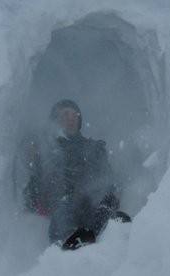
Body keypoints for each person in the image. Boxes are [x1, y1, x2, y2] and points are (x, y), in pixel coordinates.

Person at [23, 99, 130, 249]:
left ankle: (106, 228)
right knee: (65, 209)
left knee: (106, 196)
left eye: (74, 115)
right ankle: (67, 241)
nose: (71, 117)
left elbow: (108, 176)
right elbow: (32, 188)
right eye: (65, 114)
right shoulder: (47, 149)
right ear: (54, 120)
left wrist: (111, 192)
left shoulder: (94, 147)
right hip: (63, 199)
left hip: (92, 198)